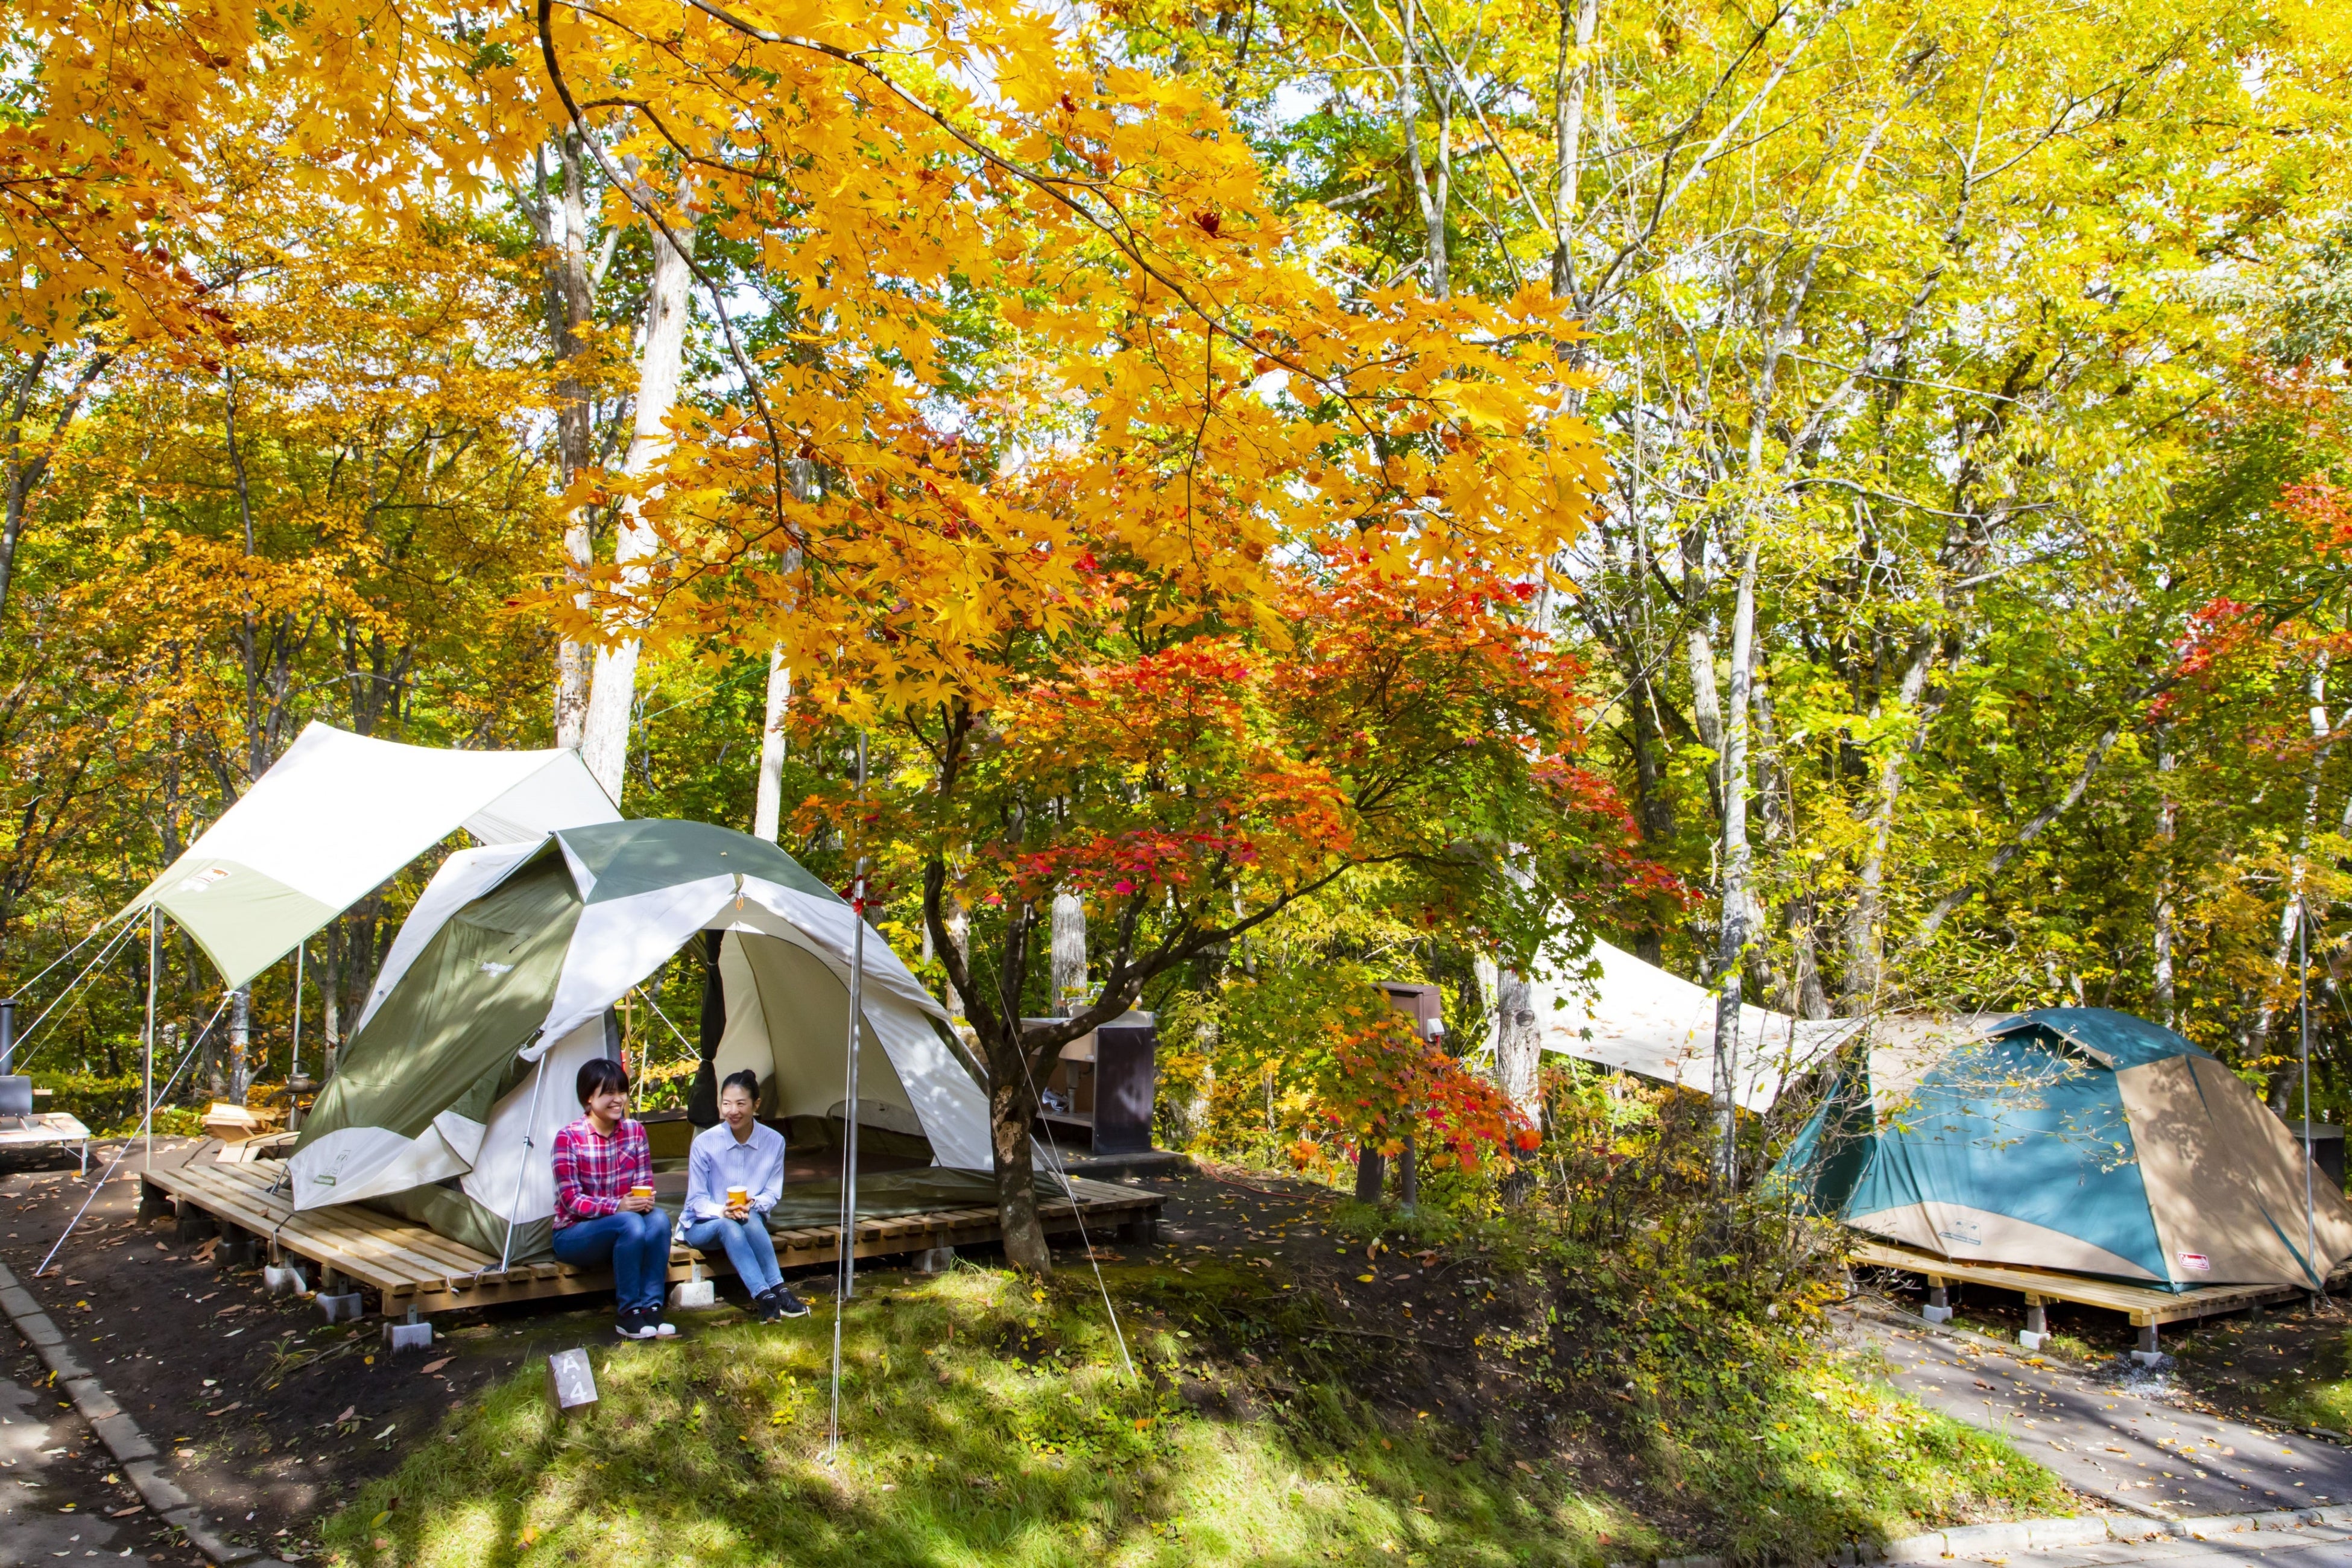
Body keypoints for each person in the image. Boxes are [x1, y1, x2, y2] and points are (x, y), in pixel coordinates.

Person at [551, 1057, 677, 1340]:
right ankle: (629, 1313)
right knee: (630, 1224)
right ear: (588, 1098)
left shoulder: (635, 1131)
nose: (618, 1099)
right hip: (576, 1234)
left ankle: (653, 1307)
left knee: (658, 1220)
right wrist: (618, 1207)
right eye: (608, 1093)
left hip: (626, 1228)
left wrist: (643, 1201)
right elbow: (571, 1200)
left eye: (621, 1092)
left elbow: (644, 1183)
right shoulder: (569, 1138)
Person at [683, 1070, 808, 1320]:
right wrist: (721, 1211)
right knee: (729, 1223)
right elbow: (696, 1201)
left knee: (748, 1217)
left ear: (756, 1105)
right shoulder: (705, 1143)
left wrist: (754, 1203)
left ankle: (778, 1292)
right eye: (726, 1103)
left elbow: (772, 1193)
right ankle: (765, 1295)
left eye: (741, 1103)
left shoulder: (774, 1141)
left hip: (749, 1221)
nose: (733, 1111)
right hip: (702, 1225)